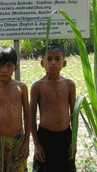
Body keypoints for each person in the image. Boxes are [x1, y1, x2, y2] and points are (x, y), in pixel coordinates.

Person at [0, 46, 30, 172]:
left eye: (9, 66)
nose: (4, 70)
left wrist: (26, 143)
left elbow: (27, 116)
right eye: (0, 65)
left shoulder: (21, 88)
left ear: (16, 67)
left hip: (18, 140)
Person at [30, 44, 77, 172]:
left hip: (65, 137)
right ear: (42, 63)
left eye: (57, 59)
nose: (53, 63)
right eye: (49, 59)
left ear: (64, 63)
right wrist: (36, 144)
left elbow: (74, 113)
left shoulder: (69, 85)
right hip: (45, 138)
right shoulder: (37, 86)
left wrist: (74, 140)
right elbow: (31, 116)